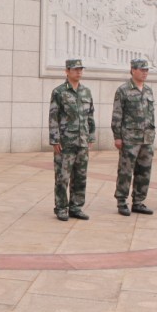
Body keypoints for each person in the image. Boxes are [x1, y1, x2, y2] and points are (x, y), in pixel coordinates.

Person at [48, 58, 96, 221]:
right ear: (67, 71)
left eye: (80, 69)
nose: (79, 72)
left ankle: (76, 207)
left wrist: (91, 135)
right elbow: (53, 116)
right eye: (75, 69)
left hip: (82, 141)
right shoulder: (59, 92)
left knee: (80, 176)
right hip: (66, 142)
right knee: (62, 176)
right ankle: (61, 207)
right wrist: (55, 139)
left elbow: (90, 115)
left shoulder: (86, 92)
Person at [111, 58, 156, 216]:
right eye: (141, 70)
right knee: (125, 171)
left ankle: (138, 201)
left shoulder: (149, 90)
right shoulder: (123, 90)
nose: (145, 73)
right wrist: (118, 136)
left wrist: (151, 134)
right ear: (133, 70)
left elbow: (151, 115)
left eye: (146, 70)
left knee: (144, 171)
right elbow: (117, 114)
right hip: (129, 138)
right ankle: (122, 201)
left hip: (146, 139)